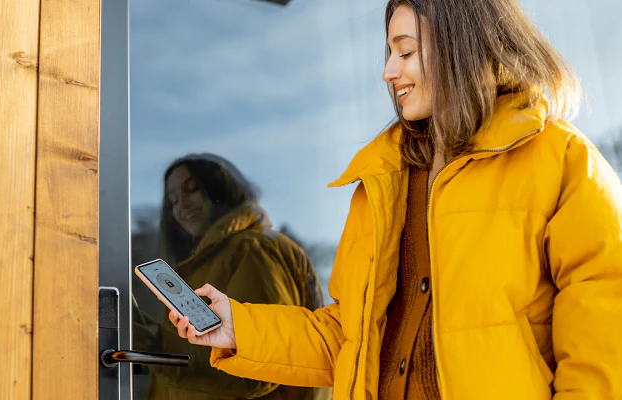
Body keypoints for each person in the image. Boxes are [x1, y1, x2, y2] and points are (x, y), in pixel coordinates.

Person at [167, 0, 622, 399]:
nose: (389, 71)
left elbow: (603, 347)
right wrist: (237, 328)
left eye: (405, 51)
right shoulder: (383, 183)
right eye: (389, 53)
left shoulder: (561, 162)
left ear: (462, 44)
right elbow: (349, 340)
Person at [135, 153, 330, 400]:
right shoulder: (206, 260)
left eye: (193, 190)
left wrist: (154, 343)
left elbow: (261, 365)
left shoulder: (252, 250)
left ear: (220, 189)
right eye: (173, 201)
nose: (181, 205)